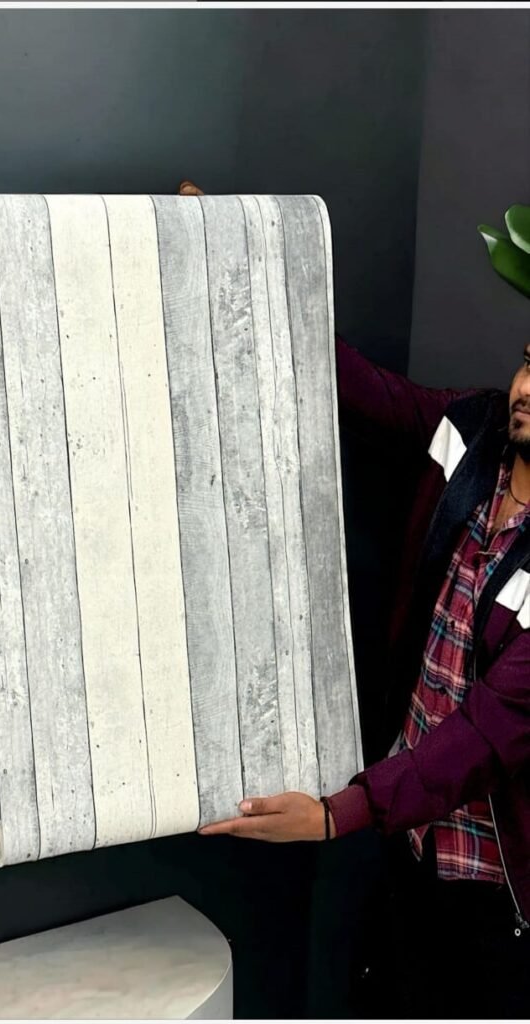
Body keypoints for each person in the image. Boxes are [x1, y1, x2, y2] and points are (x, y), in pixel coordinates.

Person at [180, 180, 530, 1017]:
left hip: (496, 890)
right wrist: (244, 249)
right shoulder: (474, 432)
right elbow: (364, 391)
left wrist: (338, 814)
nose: (527, 387)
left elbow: (483, 736)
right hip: (410, 847)